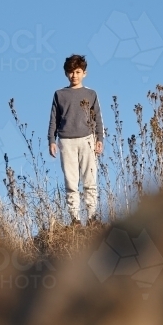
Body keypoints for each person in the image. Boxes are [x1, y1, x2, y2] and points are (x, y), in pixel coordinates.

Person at [47, 54, 104, 225]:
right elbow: (53, 119)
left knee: (90, 180)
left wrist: (99, 138)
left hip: (88, 139)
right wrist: (51, 139)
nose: (74, 75)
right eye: (71, 72)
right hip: (66, 141)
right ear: (66, 73)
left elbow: (98, 117)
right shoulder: (59, 94)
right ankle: (75, 219)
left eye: (78, 72)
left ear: (84, 73)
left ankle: (92, 217)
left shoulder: (91, 94)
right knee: (71, 181)